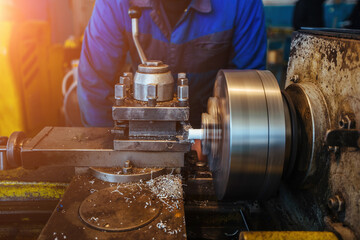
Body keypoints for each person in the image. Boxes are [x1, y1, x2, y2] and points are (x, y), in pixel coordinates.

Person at [77, 0, 267, 128]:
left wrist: (221, 141)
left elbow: (249, 88)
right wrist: (114, 149)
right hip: (140, 128)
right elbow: (94, 83)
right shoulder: (115, 4)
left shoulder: (241, 4)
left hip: (209, 129)